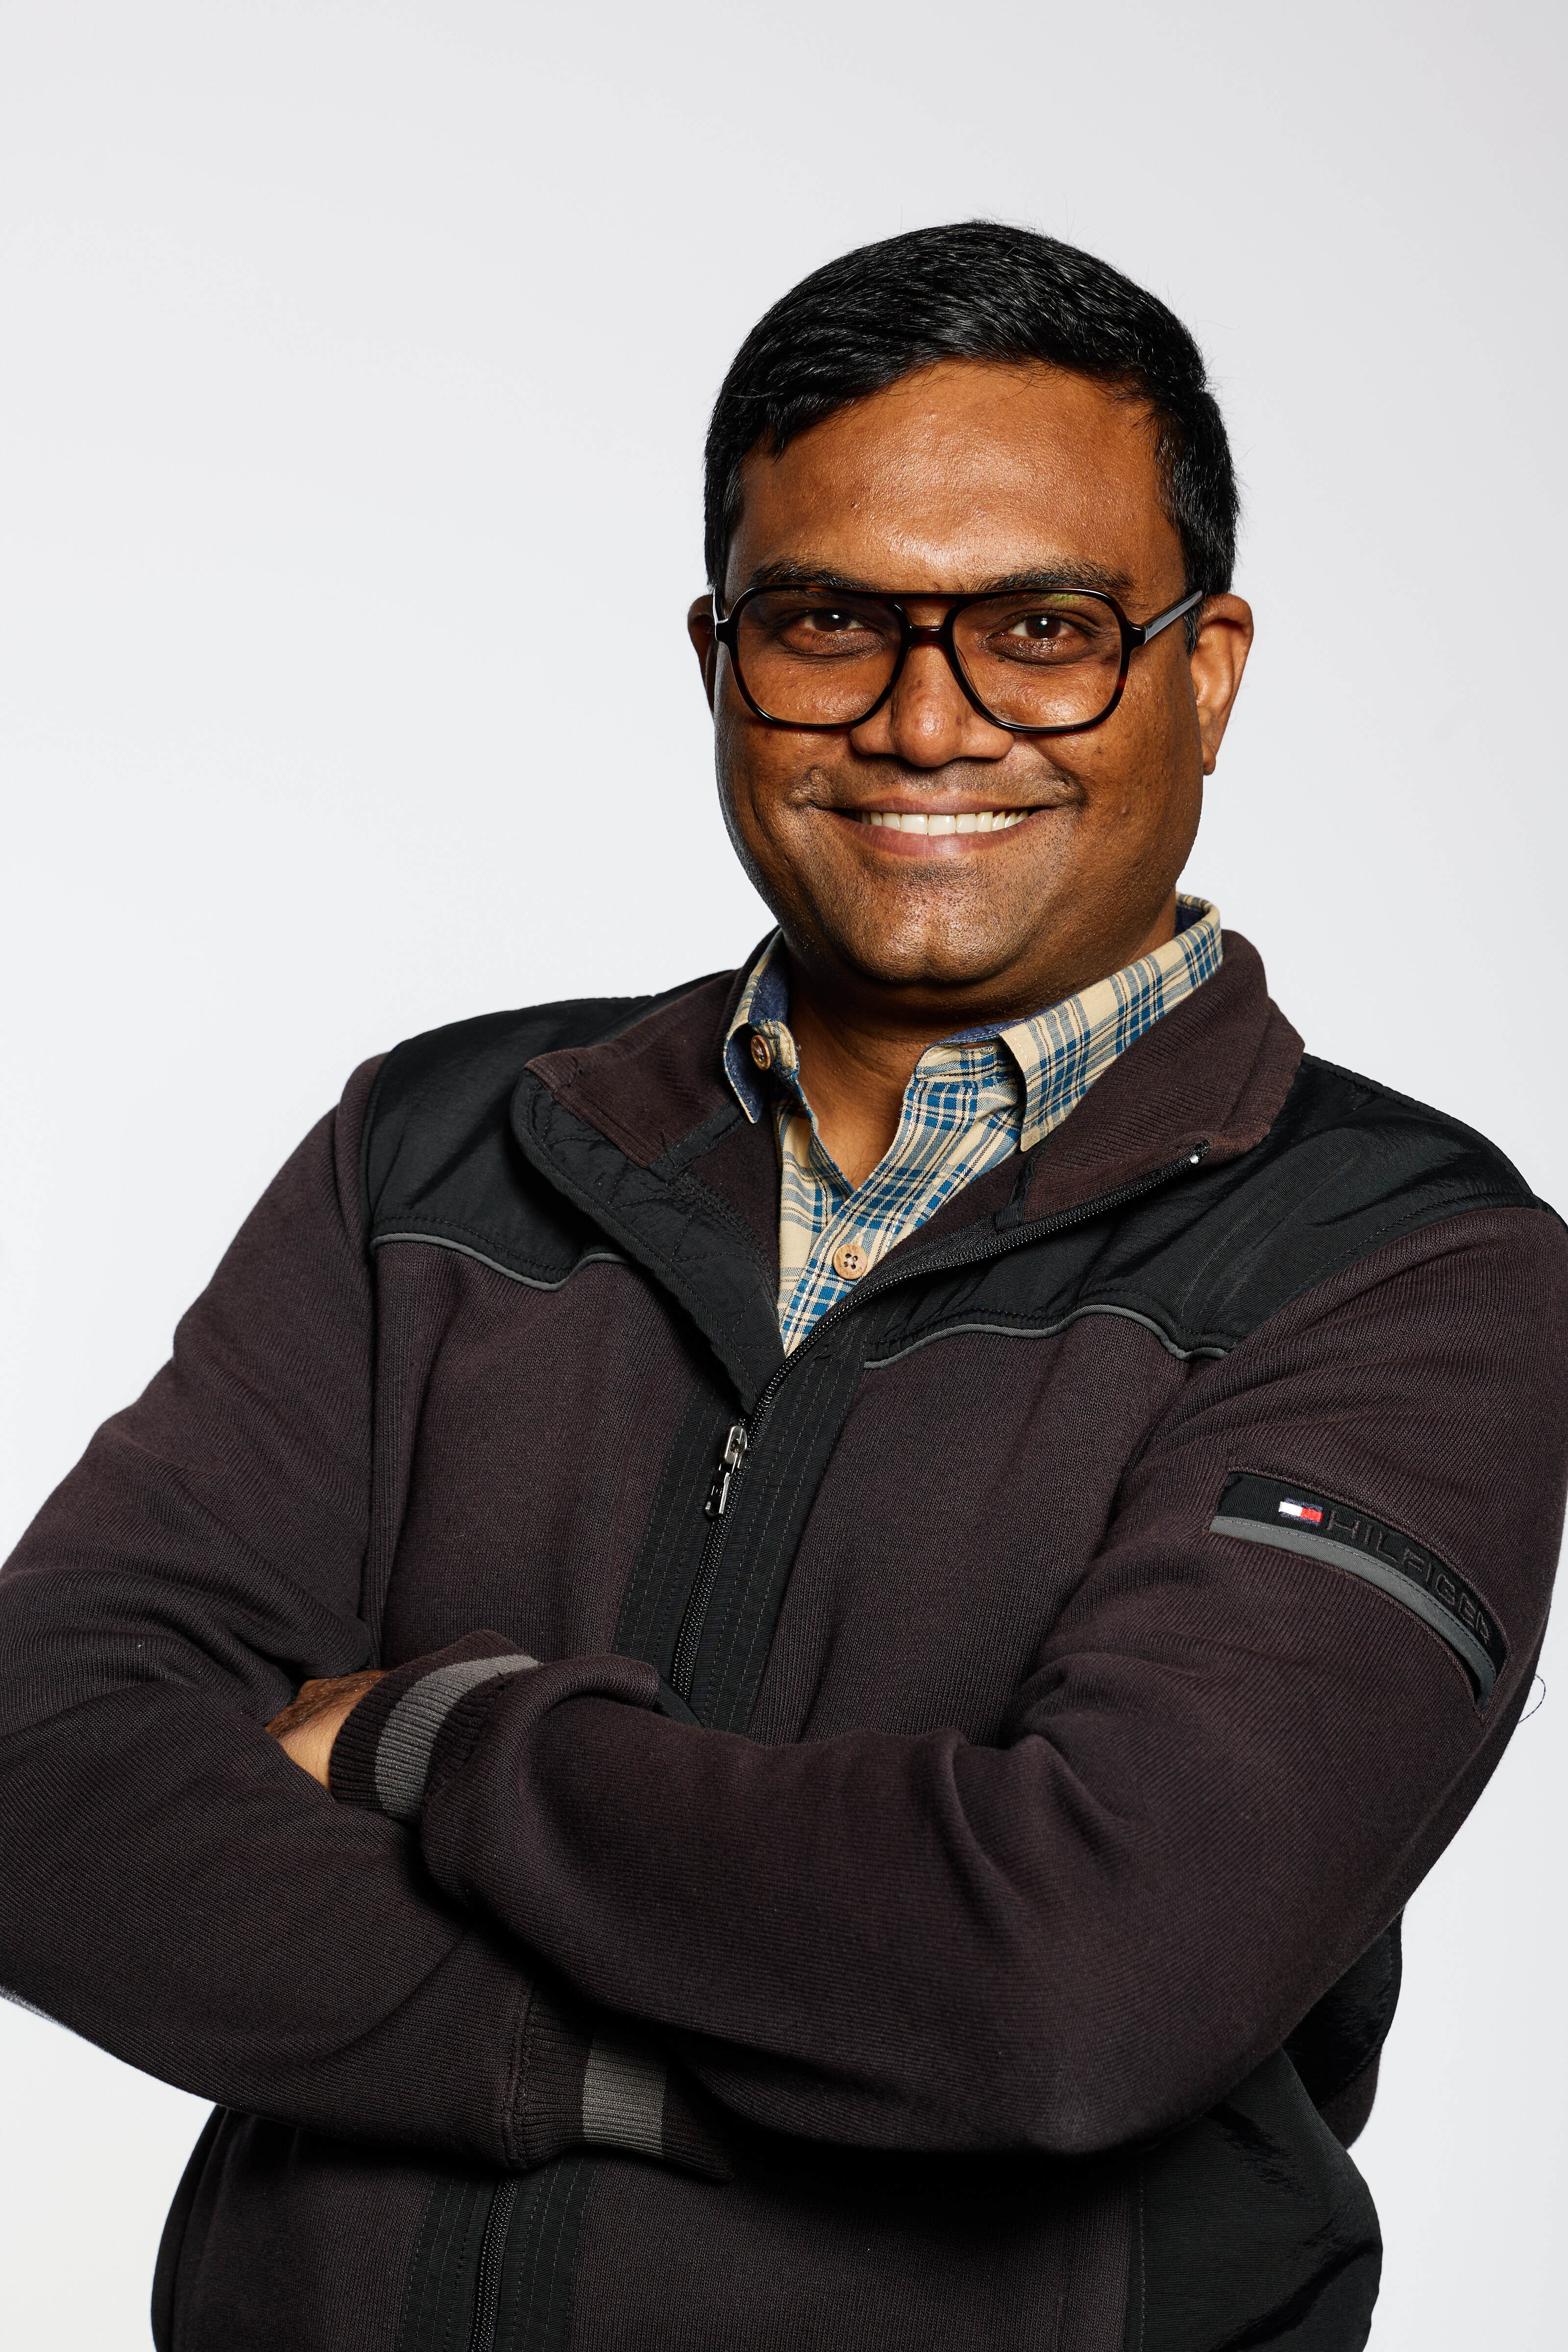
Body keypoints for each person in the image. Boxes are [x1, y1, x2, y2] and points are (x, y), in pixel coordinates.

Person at [0, 221, 1562, 2352]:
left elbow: (1082, 1978)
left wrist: (443, 1738)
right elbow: (42, 1765)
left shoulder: (1401, 1266)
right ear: (719, 656)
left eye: (1042, 631)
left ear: (1204, 672)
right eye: (828, 623)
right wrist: (592, 2072)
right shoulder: (439, 1155)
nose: (924, 723)